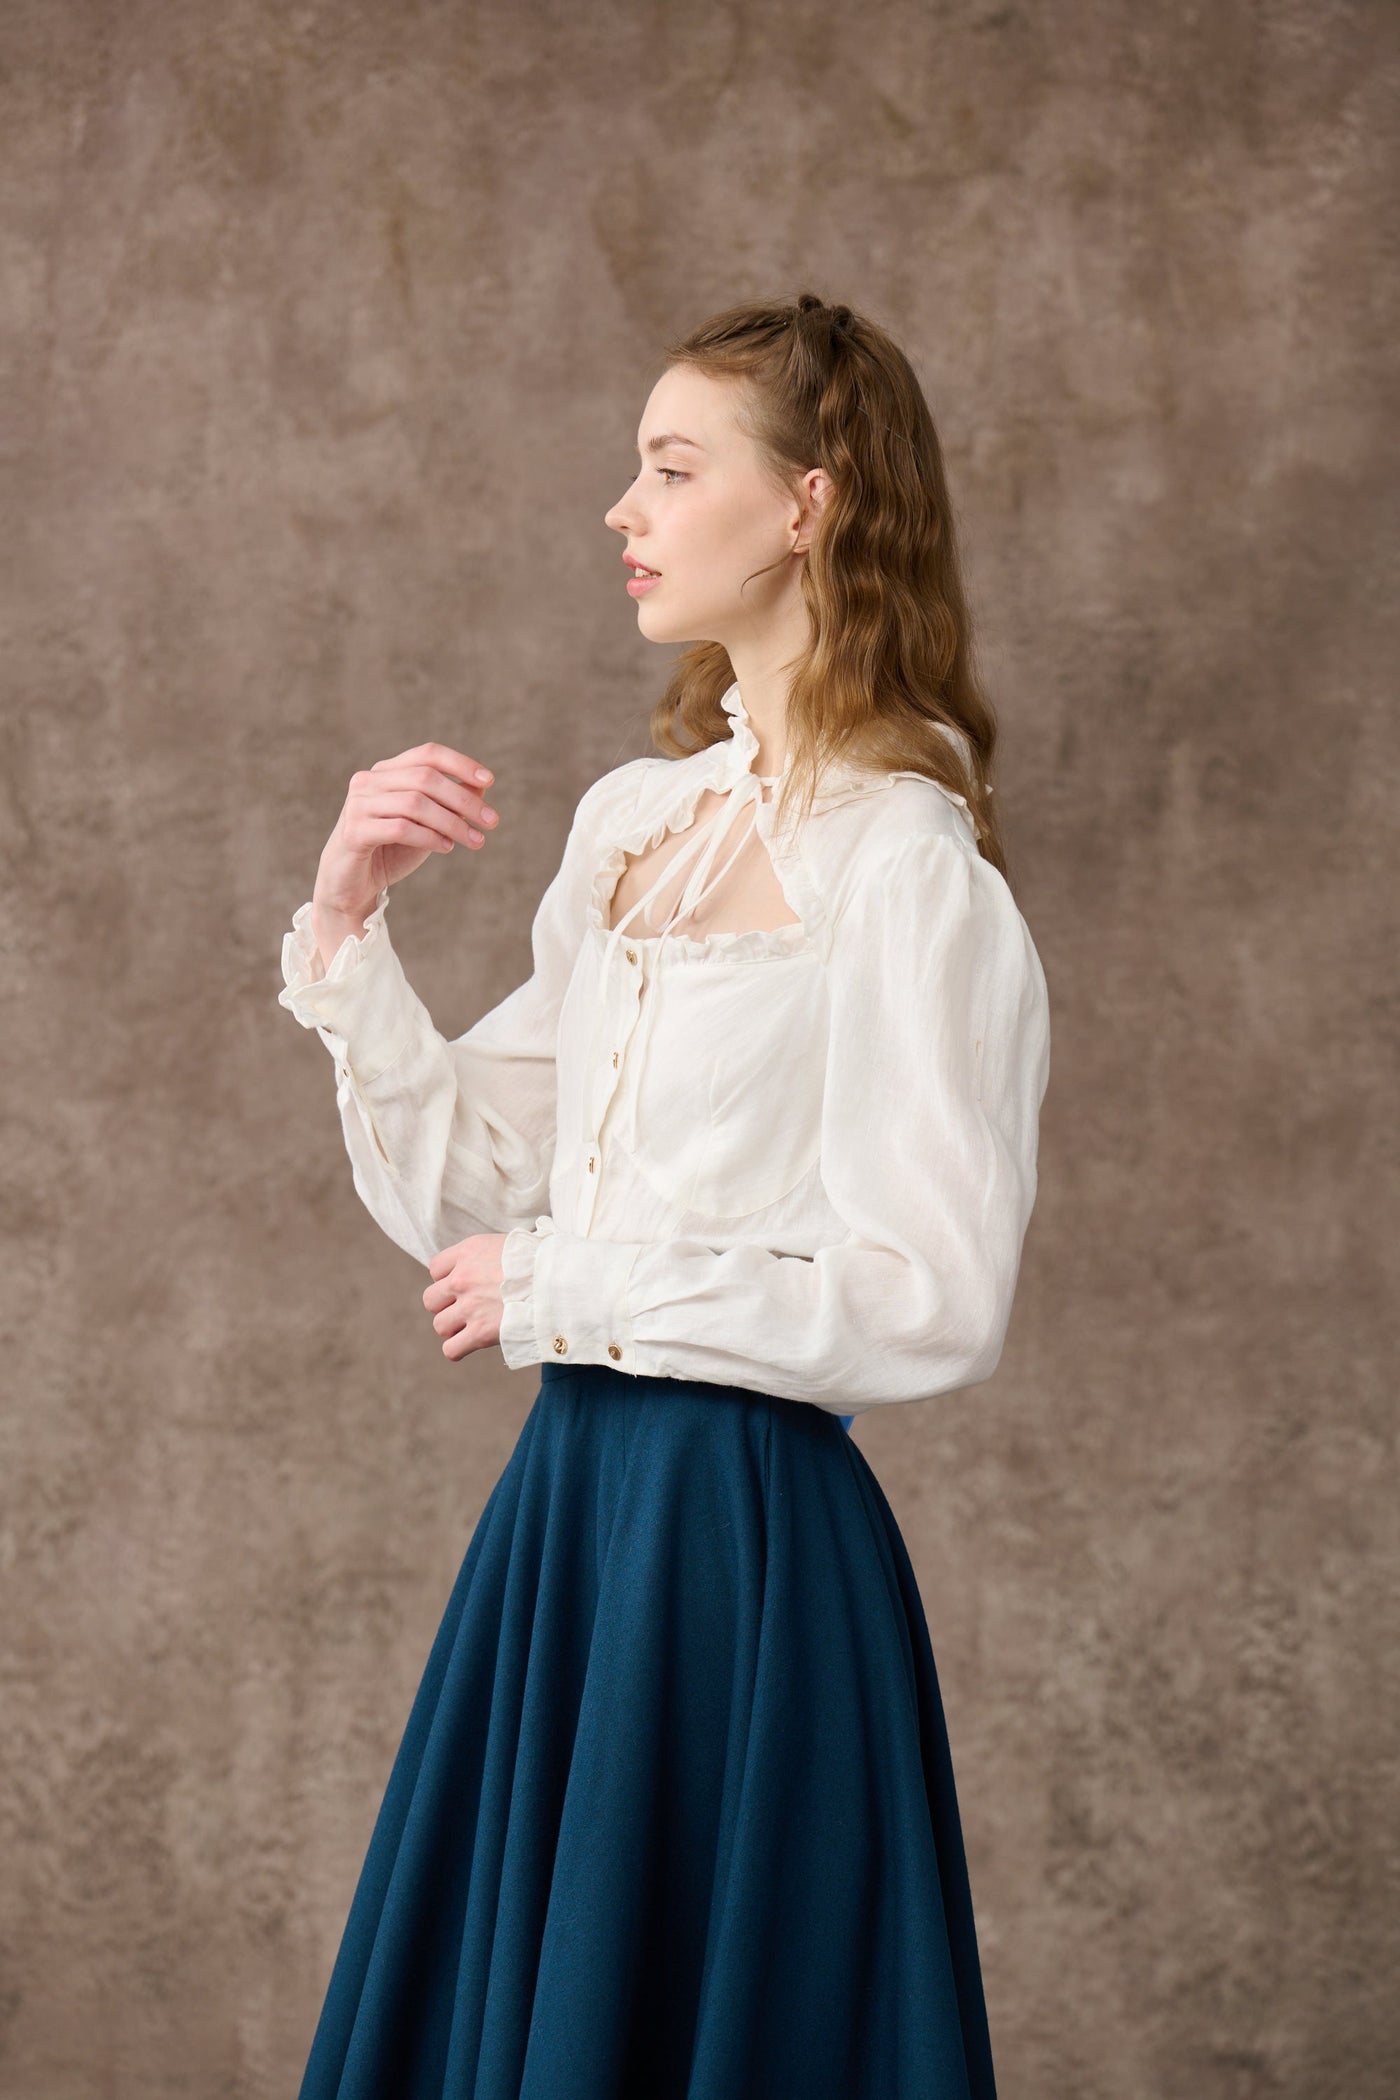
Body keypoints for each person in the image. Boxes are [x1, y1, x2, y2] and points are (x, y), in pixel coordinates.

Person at [278, 291, 1050, 2099]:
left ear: (809, 505)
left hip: (740, 1549)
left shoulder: (910, 867)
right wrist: (348, 924)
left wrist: (574, 1291)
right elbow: (481, 1186)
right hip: (574, 1515)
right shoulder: (636, 821)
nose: (623, 510)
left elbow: (935, 1297)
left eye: (674, 468)